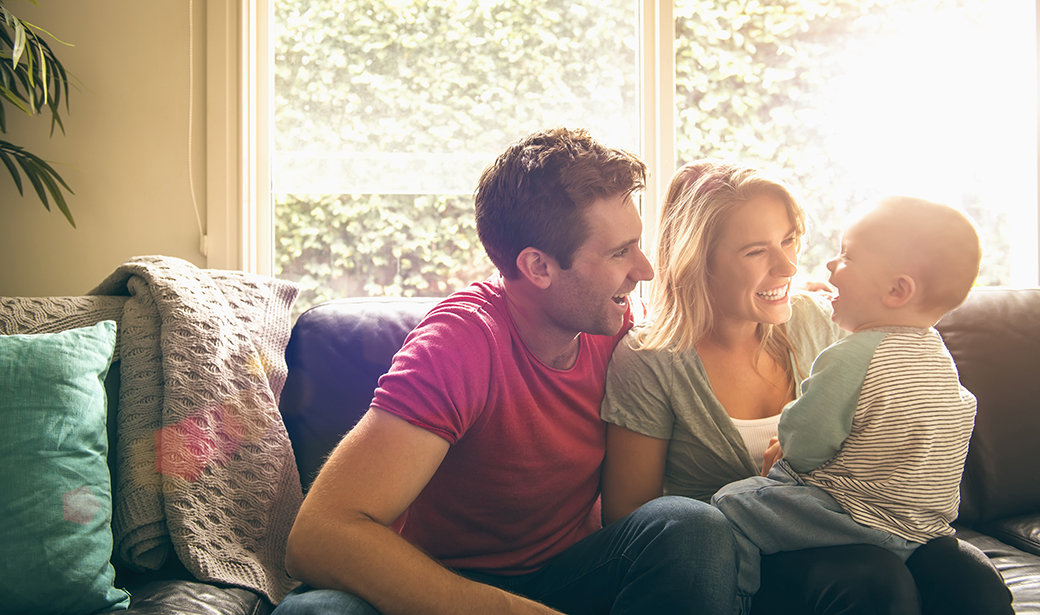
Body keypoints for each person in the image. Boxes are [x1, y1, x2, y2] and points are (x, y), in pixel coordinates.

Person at [273, 127, 738, 615]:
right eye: (620, 252)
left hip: (571, 573)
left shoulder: (619, 329)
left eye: (637, 245)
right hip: (437, 583)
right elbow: (318, 536)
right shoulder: (459, 344)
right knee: (315, 612)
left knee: (689, 527)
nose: (645, 270)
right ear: (538, 267)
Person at [599, 161, 1013, 615]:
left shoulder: (823, 320)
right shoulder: (650, 358)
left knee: (970, 576)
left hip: (859, 527)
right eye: (757, 251)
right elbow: (632, 517)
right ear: (699, 258)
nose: (788, 265)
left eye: (789, 239)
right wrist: (768, 481)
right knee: (871, 580)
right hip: (745, 559)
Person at [710, 196, 981, 614]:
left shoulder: (853, 355)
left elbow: (804, 445)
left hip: (853, 516)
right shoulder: (938, 358)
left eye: (847, 256)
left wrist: (787, 437)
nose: (830, 266)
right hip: (923, 529)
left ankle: (737, 599)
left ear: (897, 290)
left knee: (730, 503)